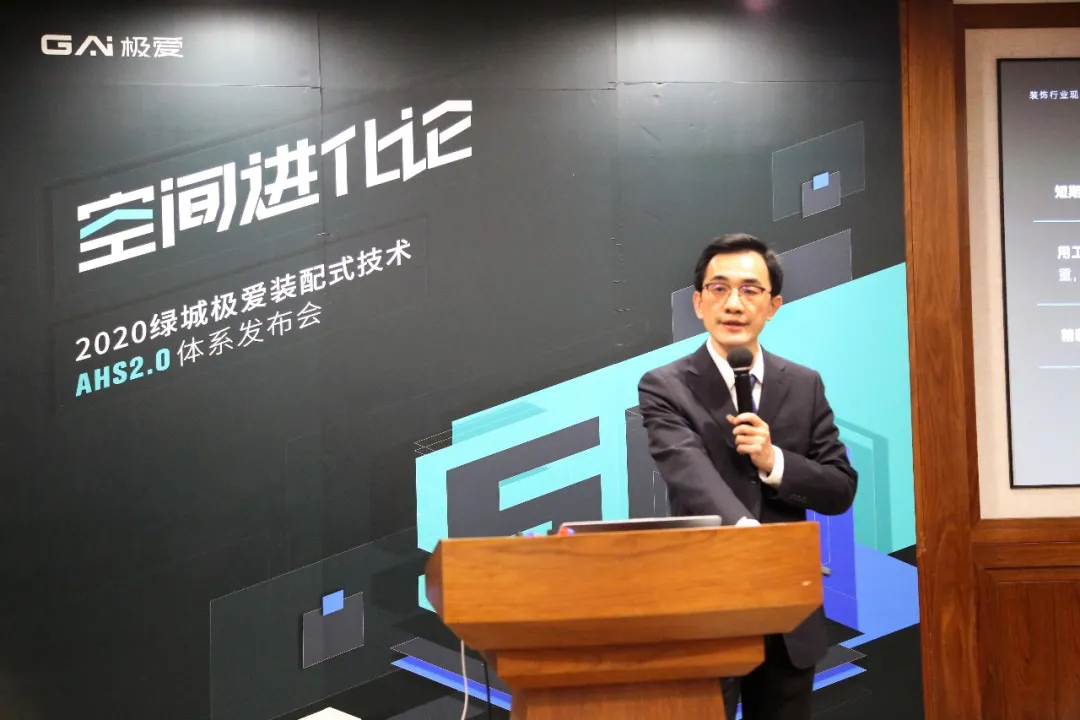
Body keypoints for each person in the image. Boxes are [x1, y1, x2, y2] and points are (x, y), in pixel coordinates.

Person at [637, 233, 857, 720]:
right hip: (707, 605)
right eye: (719, 288)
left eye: (750, 290)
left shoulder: (803, 384)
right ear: (698, 303)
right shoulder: (665, 386)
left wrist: (775, 460)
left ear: (773, 305)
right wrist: (754, 542)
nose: (733, 303)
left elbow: (839, 488)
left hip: (787, 612)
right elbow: (688, 472)